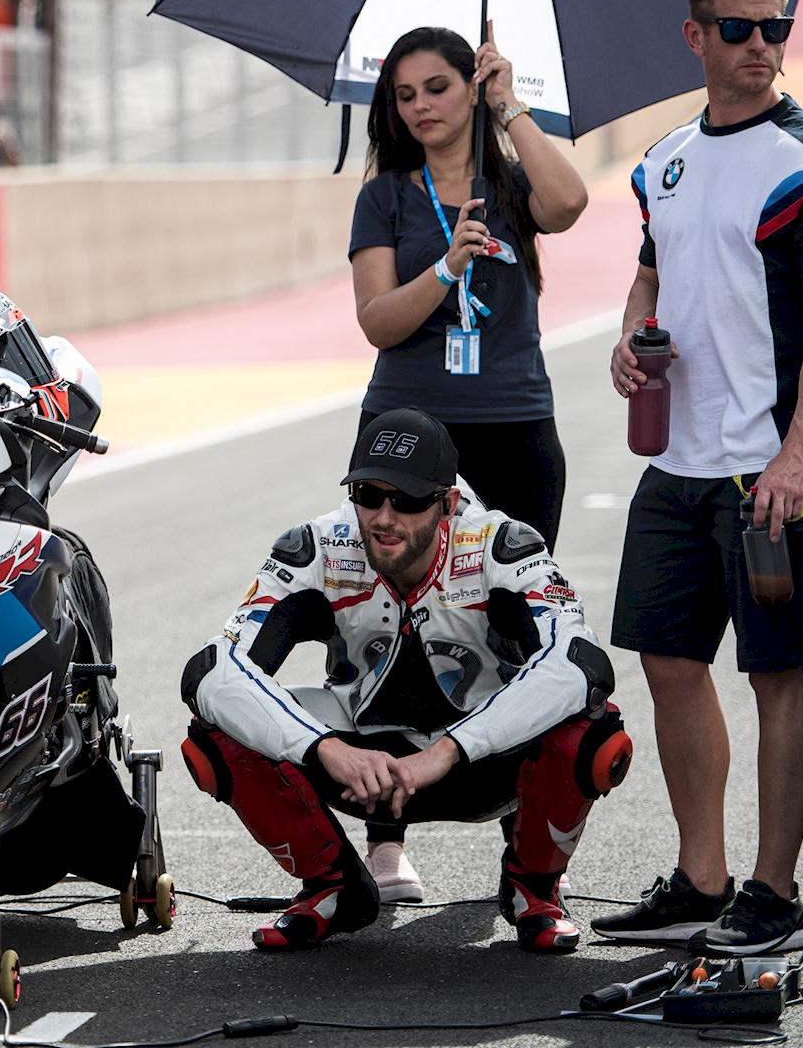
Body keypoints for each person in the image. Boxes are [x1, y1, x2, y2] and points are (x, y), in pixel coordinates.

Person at [177, 409, 631, 954]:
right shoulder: (317, 547)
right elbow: (213, 670)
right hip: (359, 765)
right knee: (217, 734)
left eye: (409, 501)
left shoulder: (499, 545)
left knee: (594, 733)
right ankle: (332, 888)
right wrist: (323, 749)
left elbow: (582, 663)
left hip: (483, 767)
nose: (384, 518)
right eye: (369, 495)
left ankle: (532, 890)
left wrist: (447, 751)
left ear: (447, 503)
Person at [596, 0, 803, 955]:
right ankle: (703, 877)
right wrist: (630, 333)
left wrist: (798, 457)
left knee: (776, 672)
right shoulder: (665, 158)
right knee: (668, 660)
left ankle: (772, 894)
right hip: (677, 459)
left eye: (774, 26)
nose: (762, 46)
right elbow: (652, 269)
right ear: (694, 36)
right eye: (739, 28)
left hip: (765, 469)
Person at [346, 23, 590, 903]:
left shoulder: (512, 184)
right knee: (388, 629)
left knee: (523, 636)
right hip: (407, 432)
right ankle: (385, 841)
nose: (420, 108)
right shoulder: (387, 198)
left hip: (516, 424)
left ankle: (531, 852)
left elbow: (571, 205)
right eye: (405, 95)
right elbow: (377, 321)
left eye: (437, 89)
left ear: (468, 87)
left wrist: (508, 106)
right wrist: (445, 270)